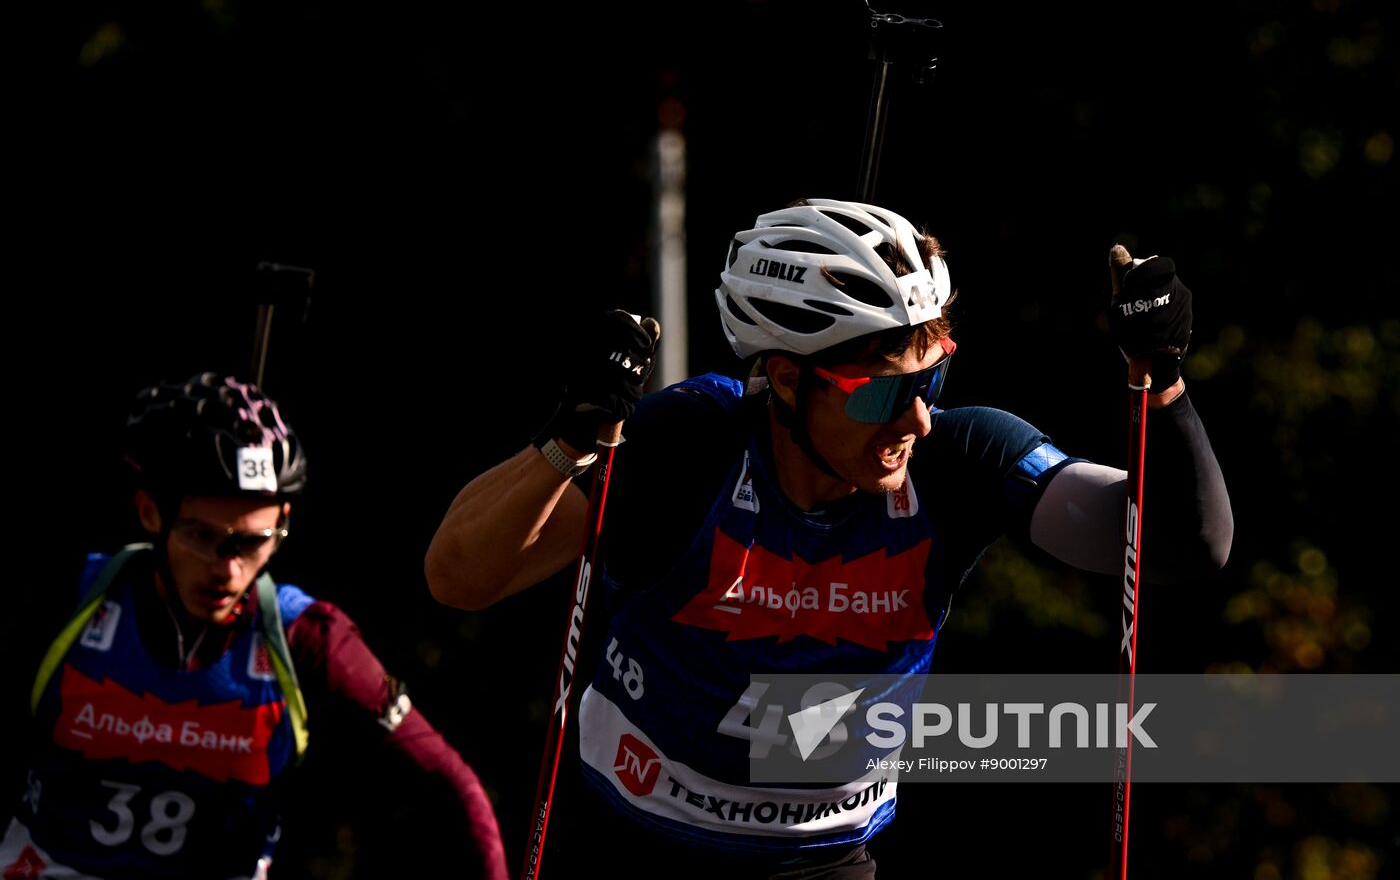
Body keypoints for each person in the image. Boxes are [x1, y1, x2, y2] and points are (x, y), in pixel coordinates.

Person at [424, 198, 1233, 877]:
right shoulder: (698, 442)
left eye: (934, 377)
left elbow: (1179, 547)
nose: (917, 417)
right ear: (784, 375)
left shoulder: (960, 457)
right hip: (632, 842)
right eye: (887, 396)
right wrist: (571, 436)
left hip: (823, 858)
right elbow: (458, 577)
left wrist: (1160, 381)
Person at [1, 371, 509, 880]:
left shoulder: (306, 636)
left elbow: (452, 785)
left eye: (253, 541)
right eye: (201, 535)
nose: (227, 570)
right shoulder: (69, 598)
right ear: (150, 512)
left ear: (284, 518)